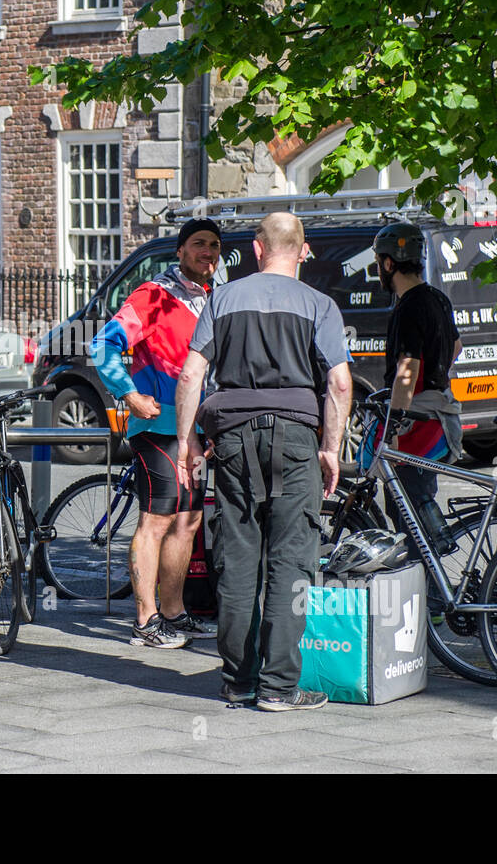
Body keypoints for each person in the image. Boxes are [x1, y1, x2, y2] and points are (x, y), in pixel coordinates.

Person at [175, 212, 352, 712]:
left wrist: (188, 443)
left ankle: (239, 680)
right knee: (291, 562)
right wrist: (331, 448)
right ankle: (279, 688)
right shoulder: (320, 305)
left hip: (231, 439)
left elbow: (191, 376)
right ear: (303, 251)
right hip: (297, 439)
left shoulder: (222, 298)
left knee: (237, 560)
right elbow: (339, 384)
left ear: (256, 250)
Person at [89, 218, 223, 648]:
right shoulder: (155, 296)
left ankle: (173, 612)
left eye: (215, 246)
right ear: (180, 251)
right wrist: (129, 395)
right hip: (157, 425)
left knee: (188, 520)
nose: (209, 252)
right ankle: (145, 622)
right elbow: (102, 345)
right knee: (158, 519)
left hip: (196, 429)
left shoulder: (212, 300)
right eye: (199, 244)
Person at [371, 221, 464, 553]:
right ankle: (433, 587)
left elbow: (406, 370)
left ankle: (429, 592)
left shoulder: (408, 306)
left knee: (407, 514)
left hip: (417, 426)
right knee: (420, 500)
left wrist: (394, 425)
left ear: (388, 263)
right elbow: (456, 346)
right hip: (438, 418)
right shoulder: (437, 298)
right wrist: (438, 376)